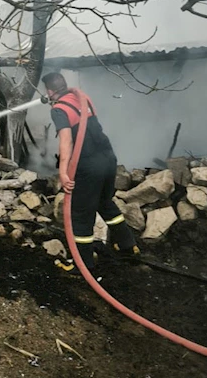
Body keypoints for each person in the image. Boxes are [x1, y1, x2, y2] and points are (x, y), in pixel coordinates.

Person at [42, 71, 139, 275]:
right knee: (104, 202)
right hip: (108, 159)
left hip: (88, 166)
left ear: (49, 91)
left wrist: (63, 173)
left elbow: (66, 141)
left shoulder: (58, 110)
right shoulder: (82, 98)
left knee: (80, 215)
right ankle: (128, 246)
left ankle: (83, 265)